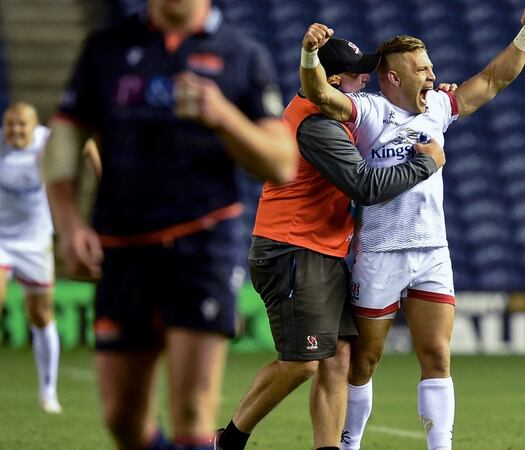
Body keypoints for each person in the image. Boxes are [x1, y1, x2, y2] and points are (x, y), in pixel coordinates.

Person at [41, 0, 297, 448]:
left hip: (205, 239)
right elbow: (65, 137)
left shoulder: (240, 53)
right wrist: (68, 223)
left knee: (194, 410)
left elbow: (280, 164)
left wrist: (223, 115)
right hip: (123, 242)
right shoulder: (108, 47)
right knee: (122, 418)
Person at [299, 5, 525, 450]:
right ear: (393, 77)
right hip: (379, 251)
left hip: (433, 250)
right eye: (422, 68)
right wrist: (310, 56)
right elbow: (321, 95)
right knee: (364, 362)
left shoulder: (438, 106)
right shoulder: (368, 111)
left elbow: (493, 79)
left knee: (437, 355)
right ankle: (349, 443)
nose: (433, 76)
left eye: (431, 66)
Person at [215, 37, 448, 450]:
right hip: (293, 249)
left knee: (338, 358)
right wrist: (426, 162)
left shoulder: (334, 115)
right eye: (359, 72)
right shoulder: (317, 124)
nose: (367, 78)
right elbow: (365, 186)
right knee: (303, 363)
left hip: (322, 250)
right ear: (335, 80)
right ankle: (229, 440)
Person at [0, 102, 62, 414]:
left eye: (21, 125)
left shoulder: (47, 141)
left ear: (34, 126)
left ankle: (48, 392)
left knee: (40, 316)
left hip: (36, 240)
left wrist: (99, 170)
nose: (15, 131)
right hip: (1, 239)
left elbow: (88, 143)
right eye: (10, 124)